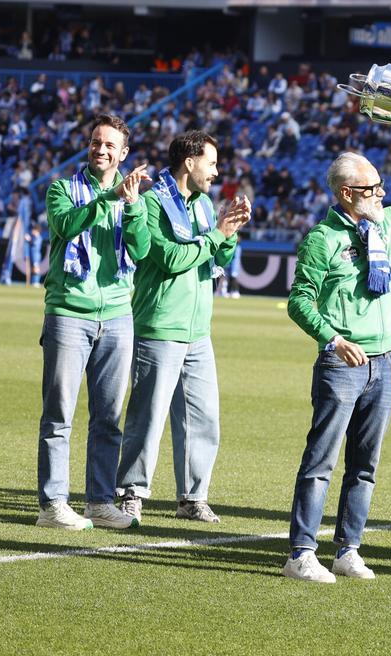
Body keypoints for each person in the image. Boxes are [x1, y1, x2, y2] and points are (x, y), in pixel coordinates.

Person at [283, 111, 391, 583]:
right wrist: (333, 340)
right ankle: (300, 552)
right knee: (321, 460)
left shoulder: (385, 226)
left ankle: (348, 550)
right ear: (346, 194)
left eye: (380, 187)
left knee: (365, 466)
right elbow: (298, 302)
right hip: (342, 364)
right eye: (372, 188)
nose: (382, 194)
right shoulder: (322, 239)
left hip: (386, 361)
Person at [116, 130, 250, 524]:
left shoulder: (206, 204)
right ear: (189, 163)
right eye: (211, 162)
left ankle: (192, 497)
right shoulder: (154, 202)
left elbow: (217, 256)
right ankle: (131, 492)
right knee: (148, 417)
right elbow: (170, 258)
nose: (216, 170)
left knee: (202, 418)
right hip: (159, 325)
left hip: (198, 330)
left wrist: (230, 231)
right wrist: (216, 236)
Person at [36, 114, 151, 531]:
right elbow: (66, 225)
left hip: (118, 315)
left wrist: (133, 205)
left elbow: (140, 250)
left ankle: (100, 502)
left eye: (108, 145)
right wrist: (109, 199)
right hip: (69, 312)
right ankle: (52, 504)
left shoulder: (136, 196)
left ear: (123, 154)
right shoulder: (62, 189)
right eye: (94, 142)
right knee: (59, 414)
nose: (100, 150)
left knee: (108, 417)